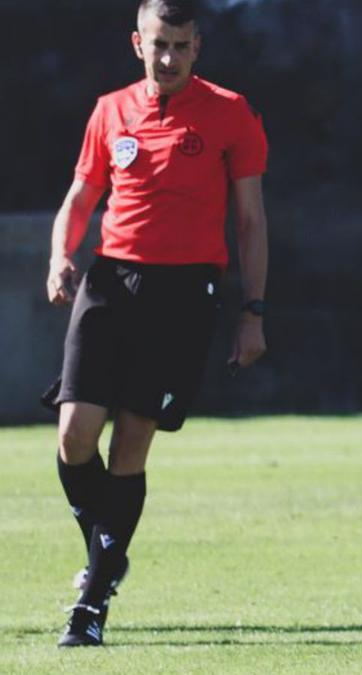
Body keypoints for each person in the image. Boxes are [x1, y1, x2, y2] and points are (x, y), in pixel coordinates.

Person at [44, 0, 269, 647]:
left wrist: (252, 311)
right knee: (73, 436)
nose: (167, 57)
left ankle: (91, 602)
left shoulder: (230, 113)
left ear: (198, 46)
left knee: (132, 439)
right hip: (111, 280)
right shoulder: (109, 110)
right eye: (157, 44)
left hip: (184, 291)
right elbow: (80, 197)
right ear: (136, 42)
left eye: (180, 45)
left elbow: (251, 220)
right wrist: (62, 256)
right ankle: (108, 547)